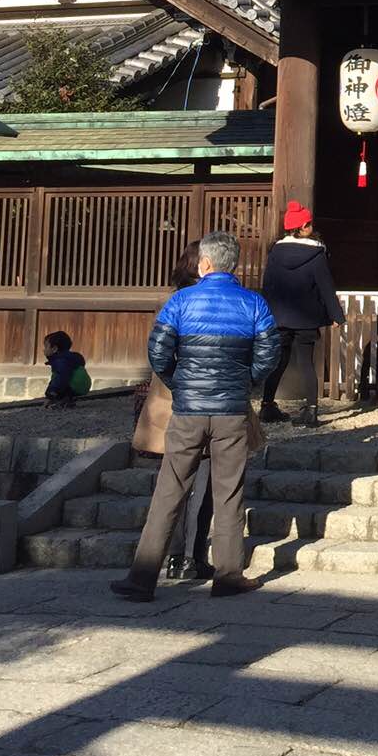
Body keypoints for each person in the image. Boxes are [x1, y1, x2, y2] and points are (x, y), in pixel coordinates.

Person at [112, 230, 279, 601]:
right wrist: (245, 381)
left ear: (204, 263)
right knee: (229, 492)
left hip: (187, 410)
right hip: (232, 411)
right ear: (232, 264)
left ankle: (142, 578)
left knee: (170, 490)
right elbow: (269, 354)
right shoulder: (254, 304)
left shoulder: (181, 302)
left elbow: (158, 352)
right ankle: (228, 574)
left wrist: (178, 382)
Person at [131, 246, 214, 582]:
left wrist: (172, 381)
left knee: (173, 482)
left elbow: (158, 353)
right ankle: (193, 555)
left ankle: (174, 555)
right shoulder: (210, 301)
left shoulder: (170, 301)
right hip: (206, 397)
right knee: (203, 480)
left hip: (170, 396)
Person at [259, 200, 346, 425]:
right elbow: (325, 286)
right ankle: (311, 410)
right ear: (303, 227)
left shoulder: (275, 252)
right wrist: (336, 315)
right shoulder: (316, 253)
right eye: (309, 224)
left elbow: (268, 284)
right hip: (306, 317)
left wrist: (265, 313)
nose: (311, 227)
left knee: (278, 361)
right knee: (307, 363)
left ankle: (267, 406)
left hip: (278, 316)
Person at [42, 331, 87, 408]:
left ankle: (60, 401)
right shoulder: (71, 357)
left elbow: (61, 377)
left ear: (54, 349)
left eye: (46, 346)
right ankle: (68, 400)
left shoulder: (60, 360)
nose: (43, 350)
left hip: (74, 385)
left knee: (58, 379)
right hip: (84, 385)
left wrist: (51, 392)